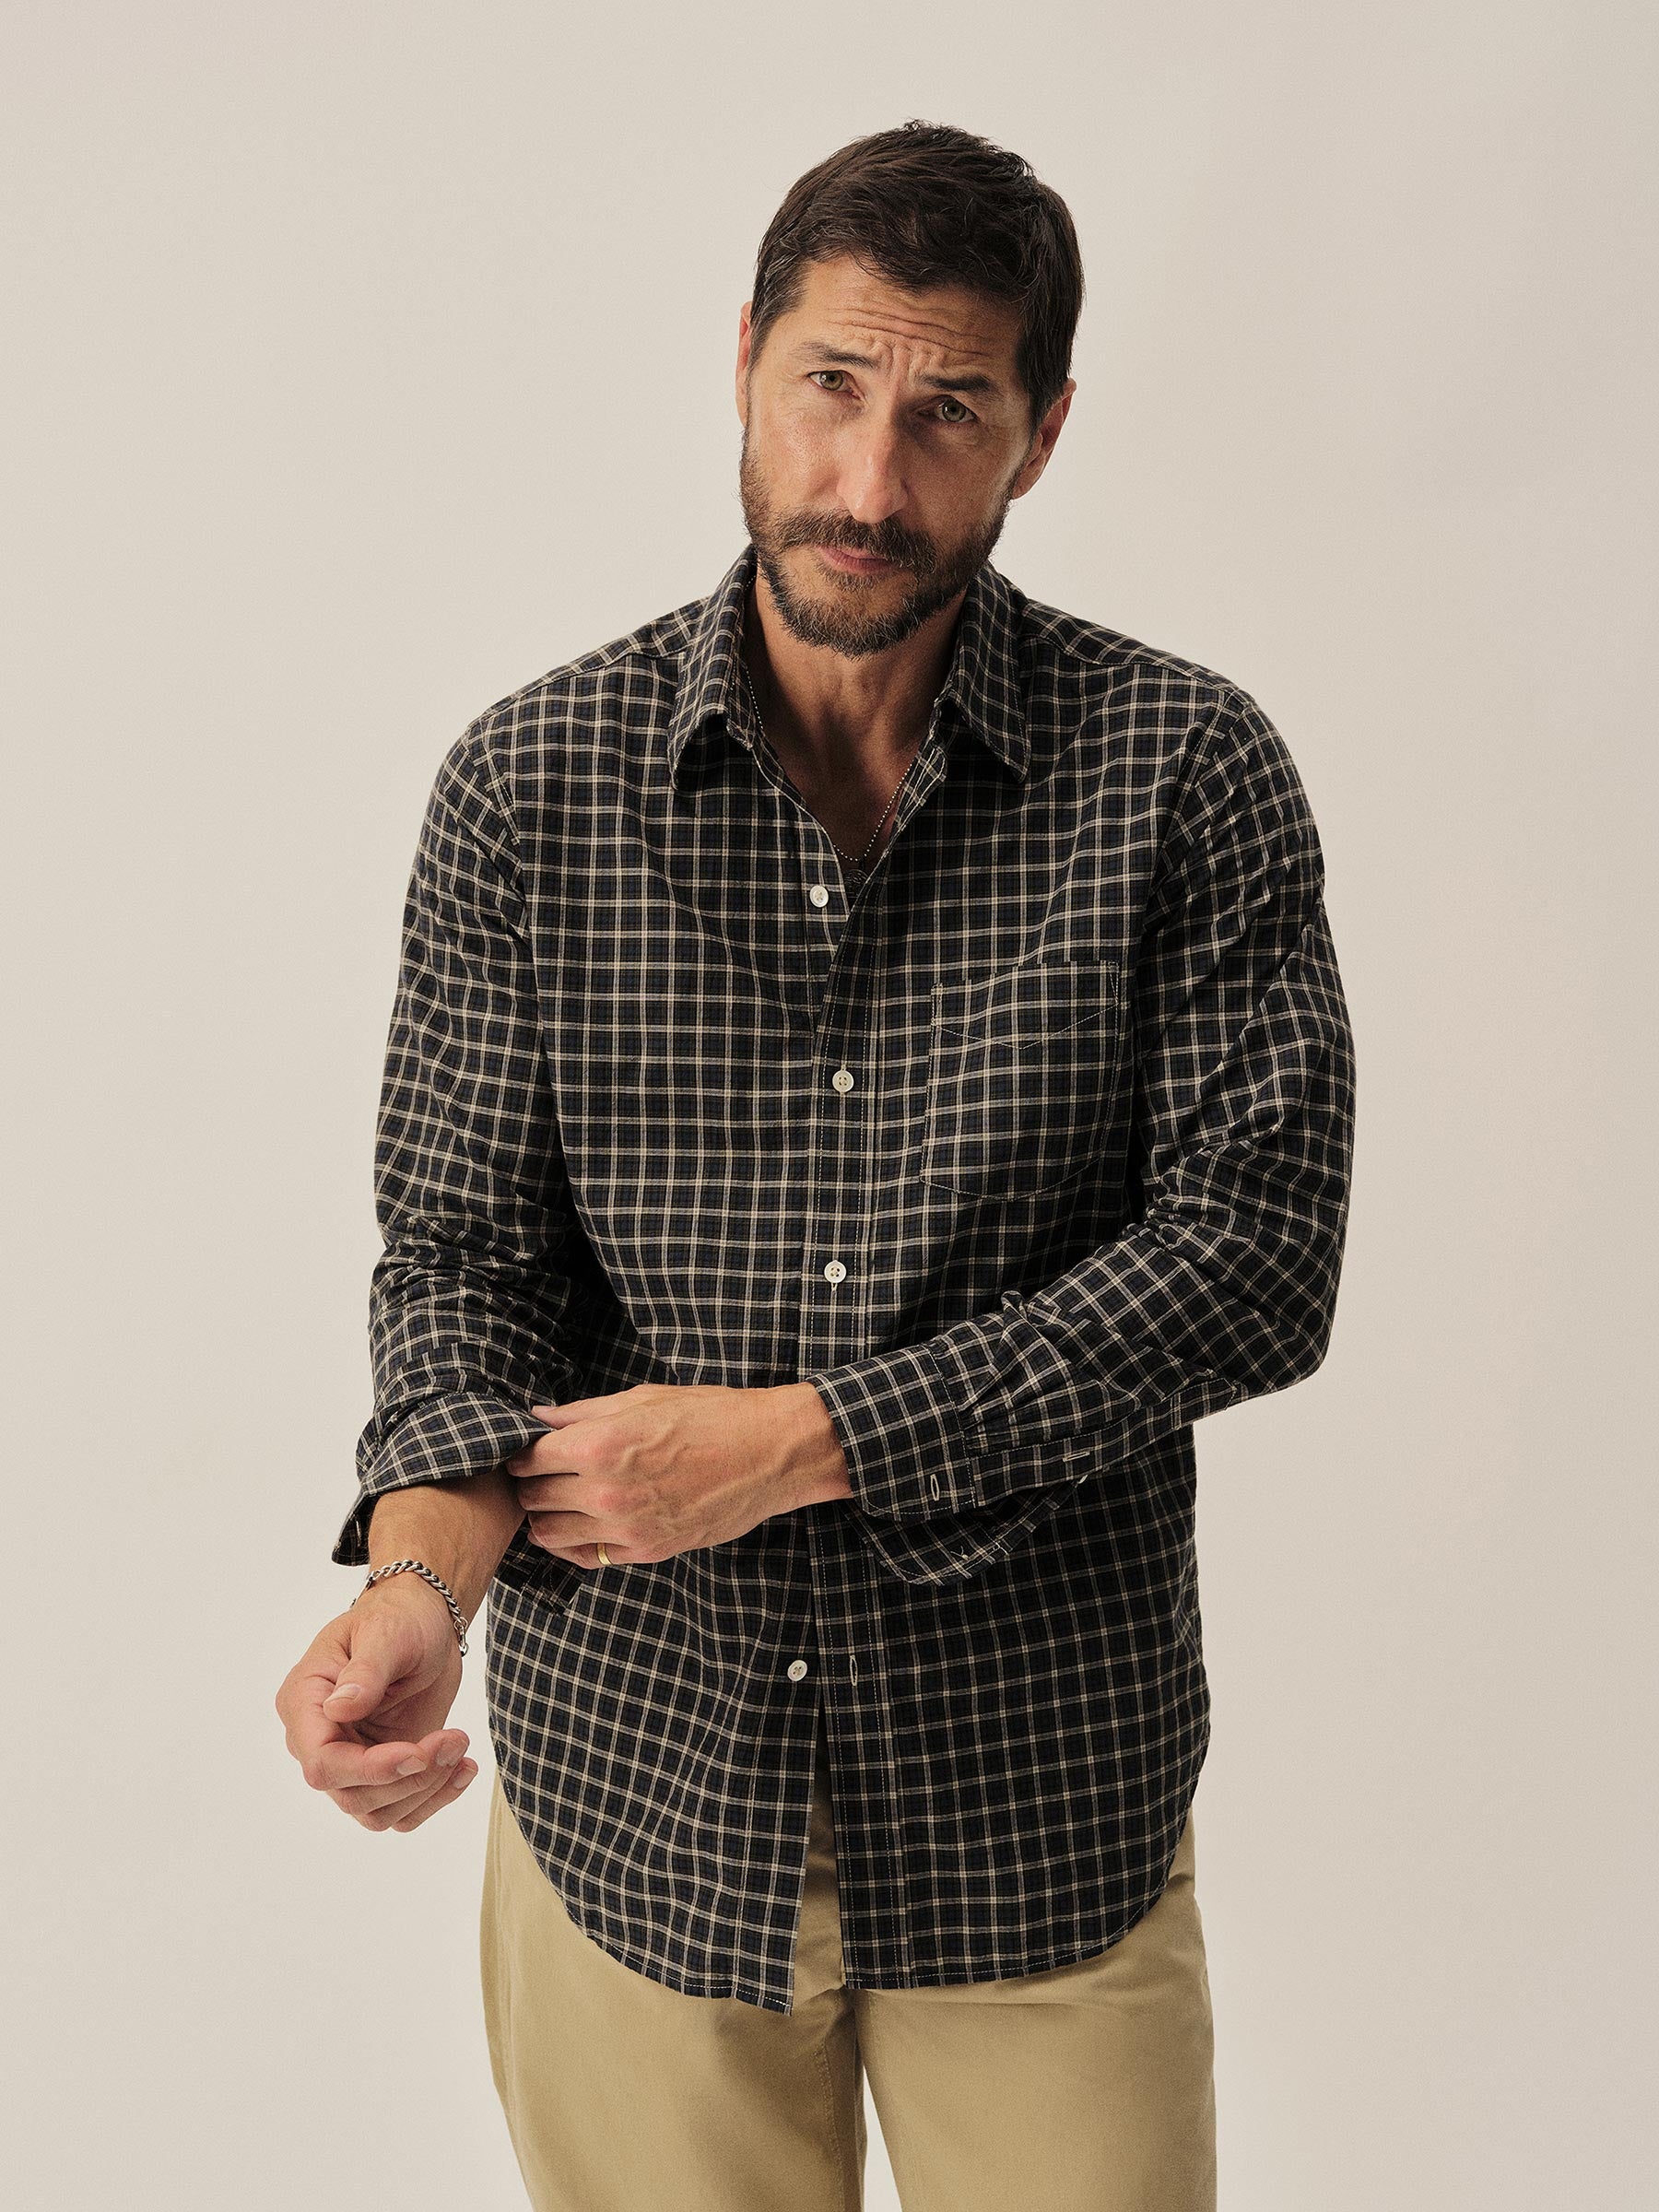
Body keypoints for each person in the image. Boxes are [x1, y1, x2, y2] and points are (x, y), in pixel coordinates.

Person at [276, 118, 1357, 2212]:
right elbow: (465, 1268)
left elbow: (1254, 1255)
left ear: (1042, 435)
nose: (870, 482)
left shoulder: (1186, 773)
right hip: (637, 1795)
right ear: (745, 366)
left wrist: (809, 1441)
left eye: (949, 411)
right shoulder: (530, 787)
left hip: (1040, 1799)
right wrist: (419, 1589)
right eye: (832, 386)